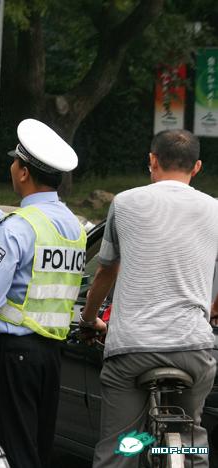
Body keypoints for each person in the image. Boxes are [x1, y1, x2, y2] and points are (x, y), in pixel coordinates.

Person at [80, 129, 218, 468]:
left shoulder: (125, 202)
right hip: (194, 349)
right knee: (190, 437)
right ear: (197, 167)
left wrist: (89, 319)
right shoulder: (215, 209)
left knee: (120, 448)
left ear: (152, 161)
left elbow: (106, 271)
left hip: (132, 349)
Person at [0, 118, 86, 468]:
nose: (13, 168)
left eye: (15, 162)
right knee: (35, 448)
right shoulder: (72, 225)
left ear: (24, 173)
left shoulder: (18, 227)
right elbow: (29, 239)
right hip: (49, 355)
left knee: (9, 451)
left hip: (9, 356)